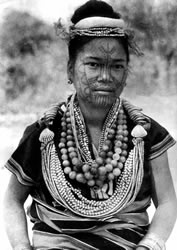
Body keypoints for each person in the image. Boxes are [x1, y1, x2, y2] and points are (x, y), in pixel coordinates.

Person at [3, 1, 177, 250]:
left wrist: (150, 245)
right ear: (70, 69)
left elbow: (168, 202)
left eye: (117, 66)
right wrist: (21, 246)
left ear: (126, 73)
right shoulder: (44, 134)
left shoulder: (147, 134)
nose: (105, 76)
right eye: (93, 64)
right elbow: (12, 200)